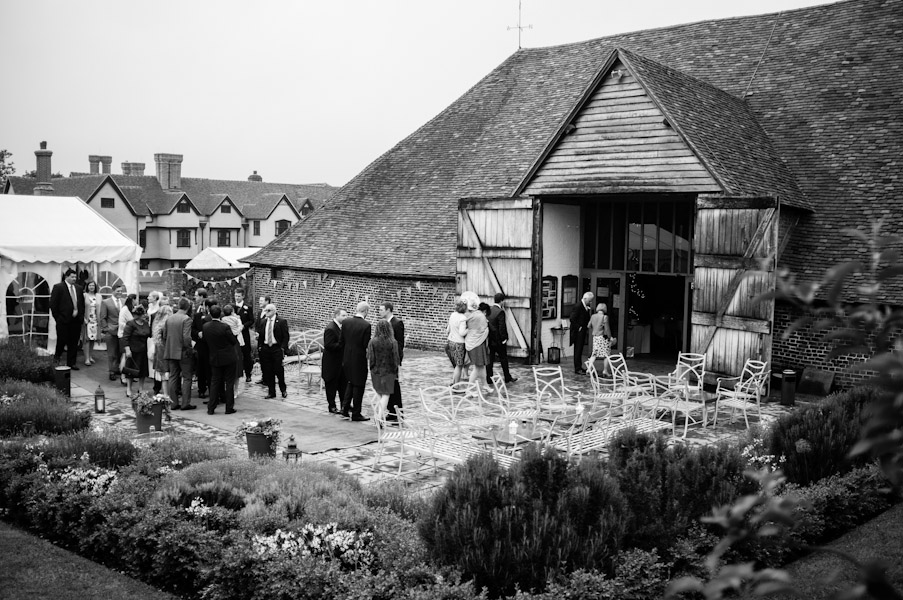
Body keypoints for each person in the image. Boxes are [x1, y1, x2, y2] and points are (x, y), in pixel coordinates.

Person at [203, 304, 238, 415]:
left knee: (215, 382)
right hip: (228, 357)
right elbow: (233, 341)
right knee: (229, 382)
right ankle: (229, 407)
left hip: (215, 357)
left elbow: (205, 340)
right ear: (221, 314)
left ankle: (211, 408)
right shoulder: (225, 327)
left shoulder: (206, 326)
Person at [162, 297, 196, 410]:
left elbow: (164, 335)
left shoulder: (169, 318)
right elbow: (186, 337)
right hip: (183, 352)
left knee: (173, 377)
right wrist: (190, 347)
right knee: (187, 377)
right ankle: (185, 403)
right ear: (188, 307)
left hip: (171, 350)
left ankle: (173, 403)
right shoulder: (186, 319)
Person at [341, 301, 372, 422]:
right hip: (359, 359)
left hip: (347, 357)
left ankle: (345, 408)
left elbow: (341, 340)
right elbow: (365, 344)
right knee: (359, 385)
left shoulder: (346, 322)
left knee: (350, 382)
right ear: (365, 311)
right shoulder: (366, 325)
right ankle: (356, 413)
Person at [49, 268, 85, 369]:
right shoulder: (58, 287)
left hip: (76, 321)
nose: (74, 279)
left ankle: (71, 363)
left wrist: (81, 316)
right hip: (63, 321)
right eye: (72, 277)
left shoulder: (78, 288)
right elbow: (53, 304)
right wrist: (58, 318)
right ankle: (56, 360)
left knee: (74, 343)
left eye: (75, 277)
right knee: (61, 341)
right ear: (66, 277)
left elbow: (81, 304)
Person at [379, 302, 405, 421]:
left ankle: (398, 413)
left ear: (388, 310)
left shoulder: (397, 323)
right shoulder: (383, 324)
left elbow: (399, 343)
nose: (380, 312)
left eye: (382, 310)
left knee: (394, 384)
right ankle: (391, 411)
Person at [257, 303, 289, 399]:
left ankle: (283, 390)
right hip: (266, 348)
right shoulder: (263, 322)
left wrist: (282, 348)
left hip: (276, 348)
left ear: (274, 311)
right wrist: (260, 347)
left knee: (278, 370)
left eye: (269, 310)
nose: (266, 312)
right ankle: (271, 392)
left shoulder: (281, 321)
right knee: (268, 370)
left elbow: (286, 336)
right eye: (265, 310)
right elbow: (261, 336)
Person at [368, 319, 400, 416]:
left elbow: (371, 358)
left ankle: (377, 414)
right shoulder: (392, 342)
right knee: (386, 394)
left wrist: (372, 369)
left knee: (379, 393)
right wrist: (396, 371)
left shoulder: (372, 341)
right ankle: (380, 416)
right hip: (389, 372)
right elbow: (396, 358)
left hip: (376, 371)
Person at [322, 307, 348, 414]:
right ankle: (332, 406)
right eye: (343, 315)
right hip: (332, 363)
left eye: (346, 315)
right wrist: (342, 344)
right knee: (331, 386)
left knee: (343, 385)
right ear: (336, 316)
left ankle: (344, 405)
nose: (345, 317)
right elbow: (328, 345)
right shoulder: (331, 328)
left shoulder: (342, 327)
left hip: (341, 363)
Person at [487, 292, 517, 385]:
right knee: (503, 359)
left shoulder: (489, 310)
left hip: (490, 339)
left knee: (490, 360)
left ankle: (489, 378)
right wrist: (504, 338)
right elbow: (502, 327)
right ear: (501, 301)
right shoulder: (500, 312)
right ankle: (507, 377)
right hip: (499, 340)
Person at [122, 304, 151, 396]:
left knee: (143, 371)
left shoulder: (146, 324)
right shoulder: (131, 324)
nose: (145, 316)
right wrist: (127, 349)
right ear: (138, 315)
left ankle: (141, 388)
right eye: (143, 314)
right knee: (131, 370)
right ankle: (128, 389)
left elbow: (149, 334)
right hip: (133, 350)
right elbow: (125, 337)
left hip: (143, 350)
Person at [464, 298, 491, 394]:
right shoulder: (481, 317)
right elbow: (484, 330)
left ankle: (485, 386)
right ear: (485, 311)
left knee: (482, 366)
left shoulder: (472, 315)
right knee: (477, 368)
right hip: (477, 344)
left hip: (474, 343)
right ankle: (469, 389)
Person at [98, 284, 124, 381]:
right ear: (113, 291)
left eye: (121, 291)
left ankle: (118, 368)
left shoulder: (124, 301)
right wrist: (106, 329)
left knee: (120, 352)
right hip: (111, 330)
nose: (120, 293)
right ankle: (112, 371)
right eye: (118, 291)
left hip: (122, 331)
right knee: (112, 353)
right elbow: (103, 317)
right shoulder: (106, 302)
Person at [191, 289, 211, 398]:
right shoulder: (197, 315)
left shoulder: (212, 315)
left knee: (210, 368)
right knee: (201, 368)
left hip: (211, 345)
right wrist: (197, 333)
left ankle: (211, 388)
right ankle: (201, 389)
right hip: (200, 345)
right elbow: (192, 329)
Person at [569, 291, 594, 374]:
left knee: (580, 349)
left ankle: (579, 366)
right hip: (578, 331)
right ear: (585, 298)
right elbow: (572, 318)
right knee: (578, 349)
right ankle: (577, 368)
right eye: (589, 301)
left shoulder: (585, 306)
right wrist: (578, 327)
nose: (590, 303)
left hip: (582, 330)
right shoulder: (578, 306)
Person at [151, 302, 173, 395]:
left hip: (159, 351)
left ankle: (165, 395)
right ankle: (168, 395)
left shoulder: (157, 325)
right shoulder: (166, 326)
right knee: (168, 375)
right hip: (166, 351)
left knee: (163, 375)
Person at [233, 289, 254, 383]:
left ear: (243, 296)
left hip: (244, 334)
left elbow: (251, 320)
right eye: (236, 296)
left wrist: (244, 326)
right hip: (234, 335)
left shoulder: (248, 307)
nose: (237, 298)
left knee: (246, 354)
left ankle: (248, 374)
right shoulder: (231, 307)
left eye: (239, 296)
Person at [445, 299, 468, 385]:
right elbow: (462, 333)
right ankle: (456, 386)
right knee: (459, 366)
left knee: (456, 364)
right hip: (459, 343)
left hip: (451, 341)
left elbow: (448, 329)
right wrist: (469, 329)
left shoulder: (452, 315)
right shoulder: (463, 318)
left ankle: (453, 382)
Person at [221, 304, 245, 386]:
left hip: (224, 344)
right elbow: (239, 329)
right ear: (232, 312)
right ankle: (236, 389)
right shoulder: (236, 319)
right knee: (236, 366)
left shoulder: (222, 320)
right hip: (235, 343)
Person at [588, 303, 613, 376]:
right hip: (602, 338)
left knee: (594, 354)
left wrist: (595, 328)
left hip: (595, 337)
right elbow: (607, 328)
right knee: (606, 355)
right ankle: (605, 370)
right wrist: (610, 337)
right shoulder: (604, 317)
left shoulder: (593, 316)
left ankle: (588, 369)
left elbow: (589, 325)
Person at [117, 294, 136, 386]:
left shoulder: (129, 309)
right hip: (123, 336)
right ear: (132, 300)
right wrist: (131, 327)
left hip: (129, 336)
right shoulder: (125, 309)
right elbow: (122, 323)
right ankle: (123, 376)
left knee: (128, 357)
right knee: (125, 356)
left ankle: (130, 374)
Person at [254, 295, 272, 385]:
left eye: (262, 300)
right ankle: (263, 377)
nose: (259, 302)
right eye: (259, 300)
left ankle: (268, 378)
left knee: (267, 360)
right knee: (261, 358)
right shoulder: (259, 312)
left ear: (267, 301)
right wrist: (256, 333)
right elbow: (257, 325)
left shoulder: (270, 313)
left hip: (266, 340)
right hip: (260, 339)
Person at [82, 281, 100, 366]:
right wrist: (83, 318)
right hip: (87, 319)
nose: (92, 287)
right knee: (87, 339)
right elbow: (81, 307)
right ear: (87, 286)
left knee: (93, 339)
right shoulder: (84, 295)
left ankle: (90, 356)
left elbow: (101, 307)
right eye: (90, 285)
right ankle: (86, 358)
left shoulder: (98, 296)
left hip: (95, 319)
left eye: (93, 285)